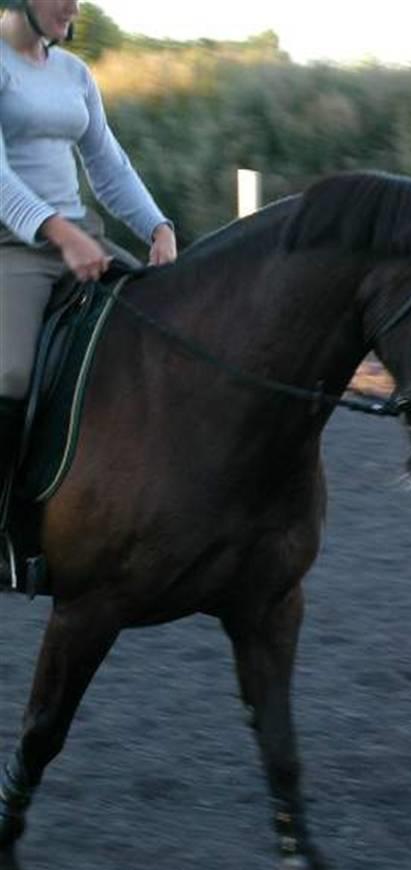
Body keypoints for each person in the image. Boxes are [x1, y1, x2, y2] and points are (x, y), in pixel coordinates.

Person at [0, 0, 177, 585]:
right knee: (10, 373)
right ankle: (5, 530)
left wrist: (157, 226)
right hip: (14, 246)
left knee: (168, 328)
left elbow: (107, 162)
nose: (73, 6)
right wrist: (57, 231)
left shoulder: (74, 73)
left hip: (83, 236)